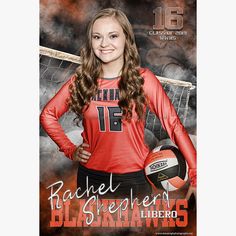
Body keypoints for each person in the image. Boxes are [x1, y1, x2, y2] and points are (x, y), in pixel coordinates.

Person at [40, 8, 196, 199]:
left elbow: (173, 126)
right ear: (91, 42)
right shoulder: (81, 80)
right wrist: (70, 149)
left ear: (126, 39)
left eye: (112, 36)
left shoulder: (143, 79)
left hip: (135, 179)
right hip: (91, 178)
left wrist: (196, 175)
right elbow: (48, 114)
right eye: (97, 37)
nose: (104, 43)